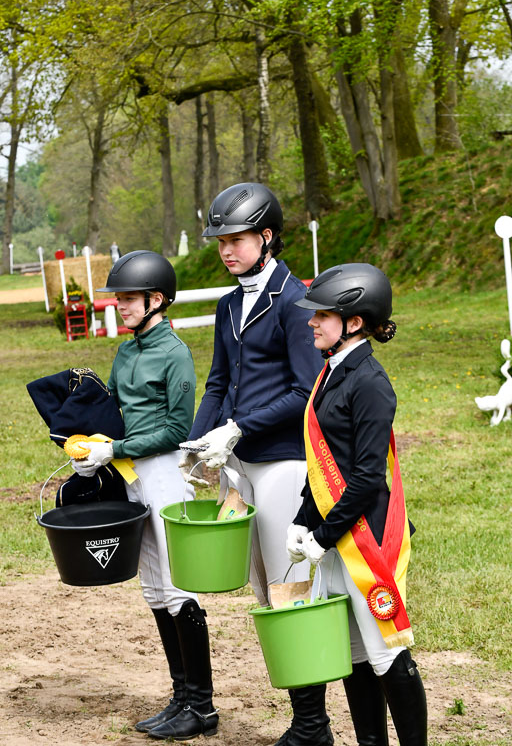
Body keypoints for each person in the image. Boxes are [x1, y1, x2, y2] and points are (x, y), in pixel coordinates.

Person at [179, 182, 327, 745]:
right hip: (239, 464)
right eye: (220, 241)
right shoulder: (228, 305)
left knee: (289, 590)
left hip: (283, 461)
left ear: (266, 236)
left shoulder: (295, 300)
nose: (225, 250)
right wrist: (195, 446)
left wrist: (239, 427)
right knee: (264, 590)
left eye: (235, 240)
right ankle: (305, 721)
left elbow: (305, 389)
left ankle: (312, 725)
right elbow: (219, 382)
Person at [71, 250, 218, 742]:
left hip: (164, 475)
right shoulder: (126, 351)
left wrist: (115, 448)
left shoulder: (175, 353)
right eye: (119, 298)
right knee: (154, 587)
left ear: (156, 299)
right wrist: (90, 447)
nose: (120, 305)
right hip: (131, 474)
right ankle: (181, 696)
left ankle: (202, 706)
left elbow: (177, 428)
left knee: (177, 587)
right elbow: (113, 411)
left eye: (128, 298)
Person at [287, 262, 428, 746]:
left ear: (354, 321)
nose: (311, 322)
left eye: (322, 315)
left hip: (367, 537)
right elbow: (323, 461)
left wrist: (323, 537)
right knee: (354, 653)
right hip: (336, 535)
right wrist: (302, 519)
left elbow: (367, 478)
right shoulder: (331, 371)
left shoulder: (369, 382)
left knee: (387, 652)